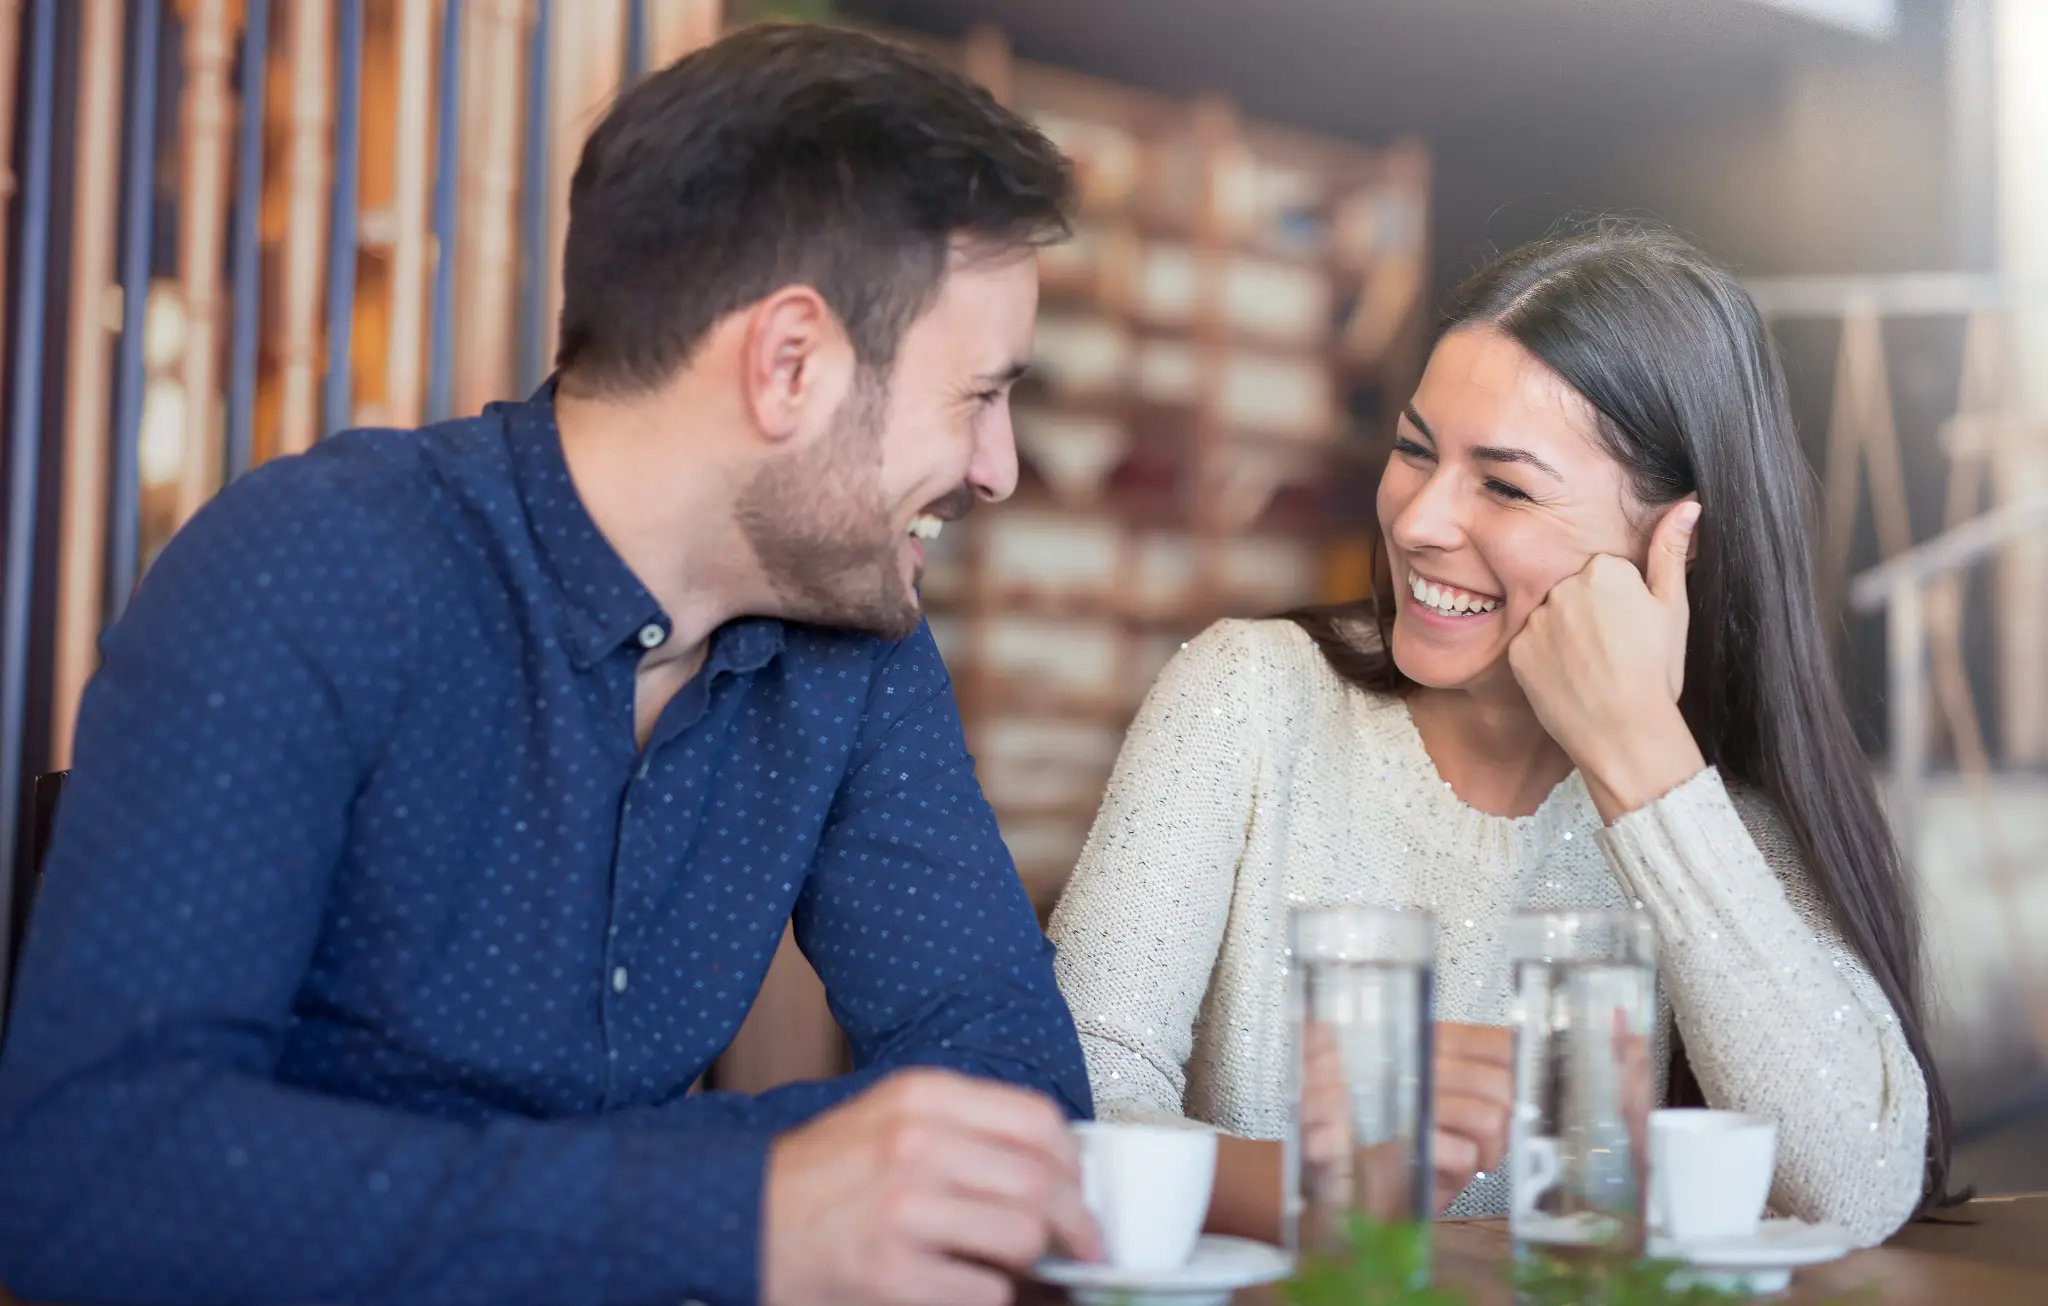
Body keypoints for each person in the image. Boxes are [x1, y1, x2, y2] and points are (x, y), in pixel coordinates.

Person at [0, 24, 1103, 1306]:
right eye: (978, 395)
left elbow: (1015, 1082)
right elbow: (89, 1173)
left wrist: (677, 1204)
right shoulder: (314, 571)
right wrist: (739, 1208)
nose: (997, 469)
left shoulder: (854, 652)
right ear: (788, 363)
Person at [1047, 224, 1951, 1248]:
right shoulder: (1249, 696)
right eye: (1412, 450)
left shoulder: (1719, 811)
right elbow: (1069, 1104)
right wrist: (1328, 1181)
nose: (1420, 520)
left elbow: (1860, 1186)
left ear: (1670, 545)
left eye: (1505, 486)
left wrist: (1640, 764)